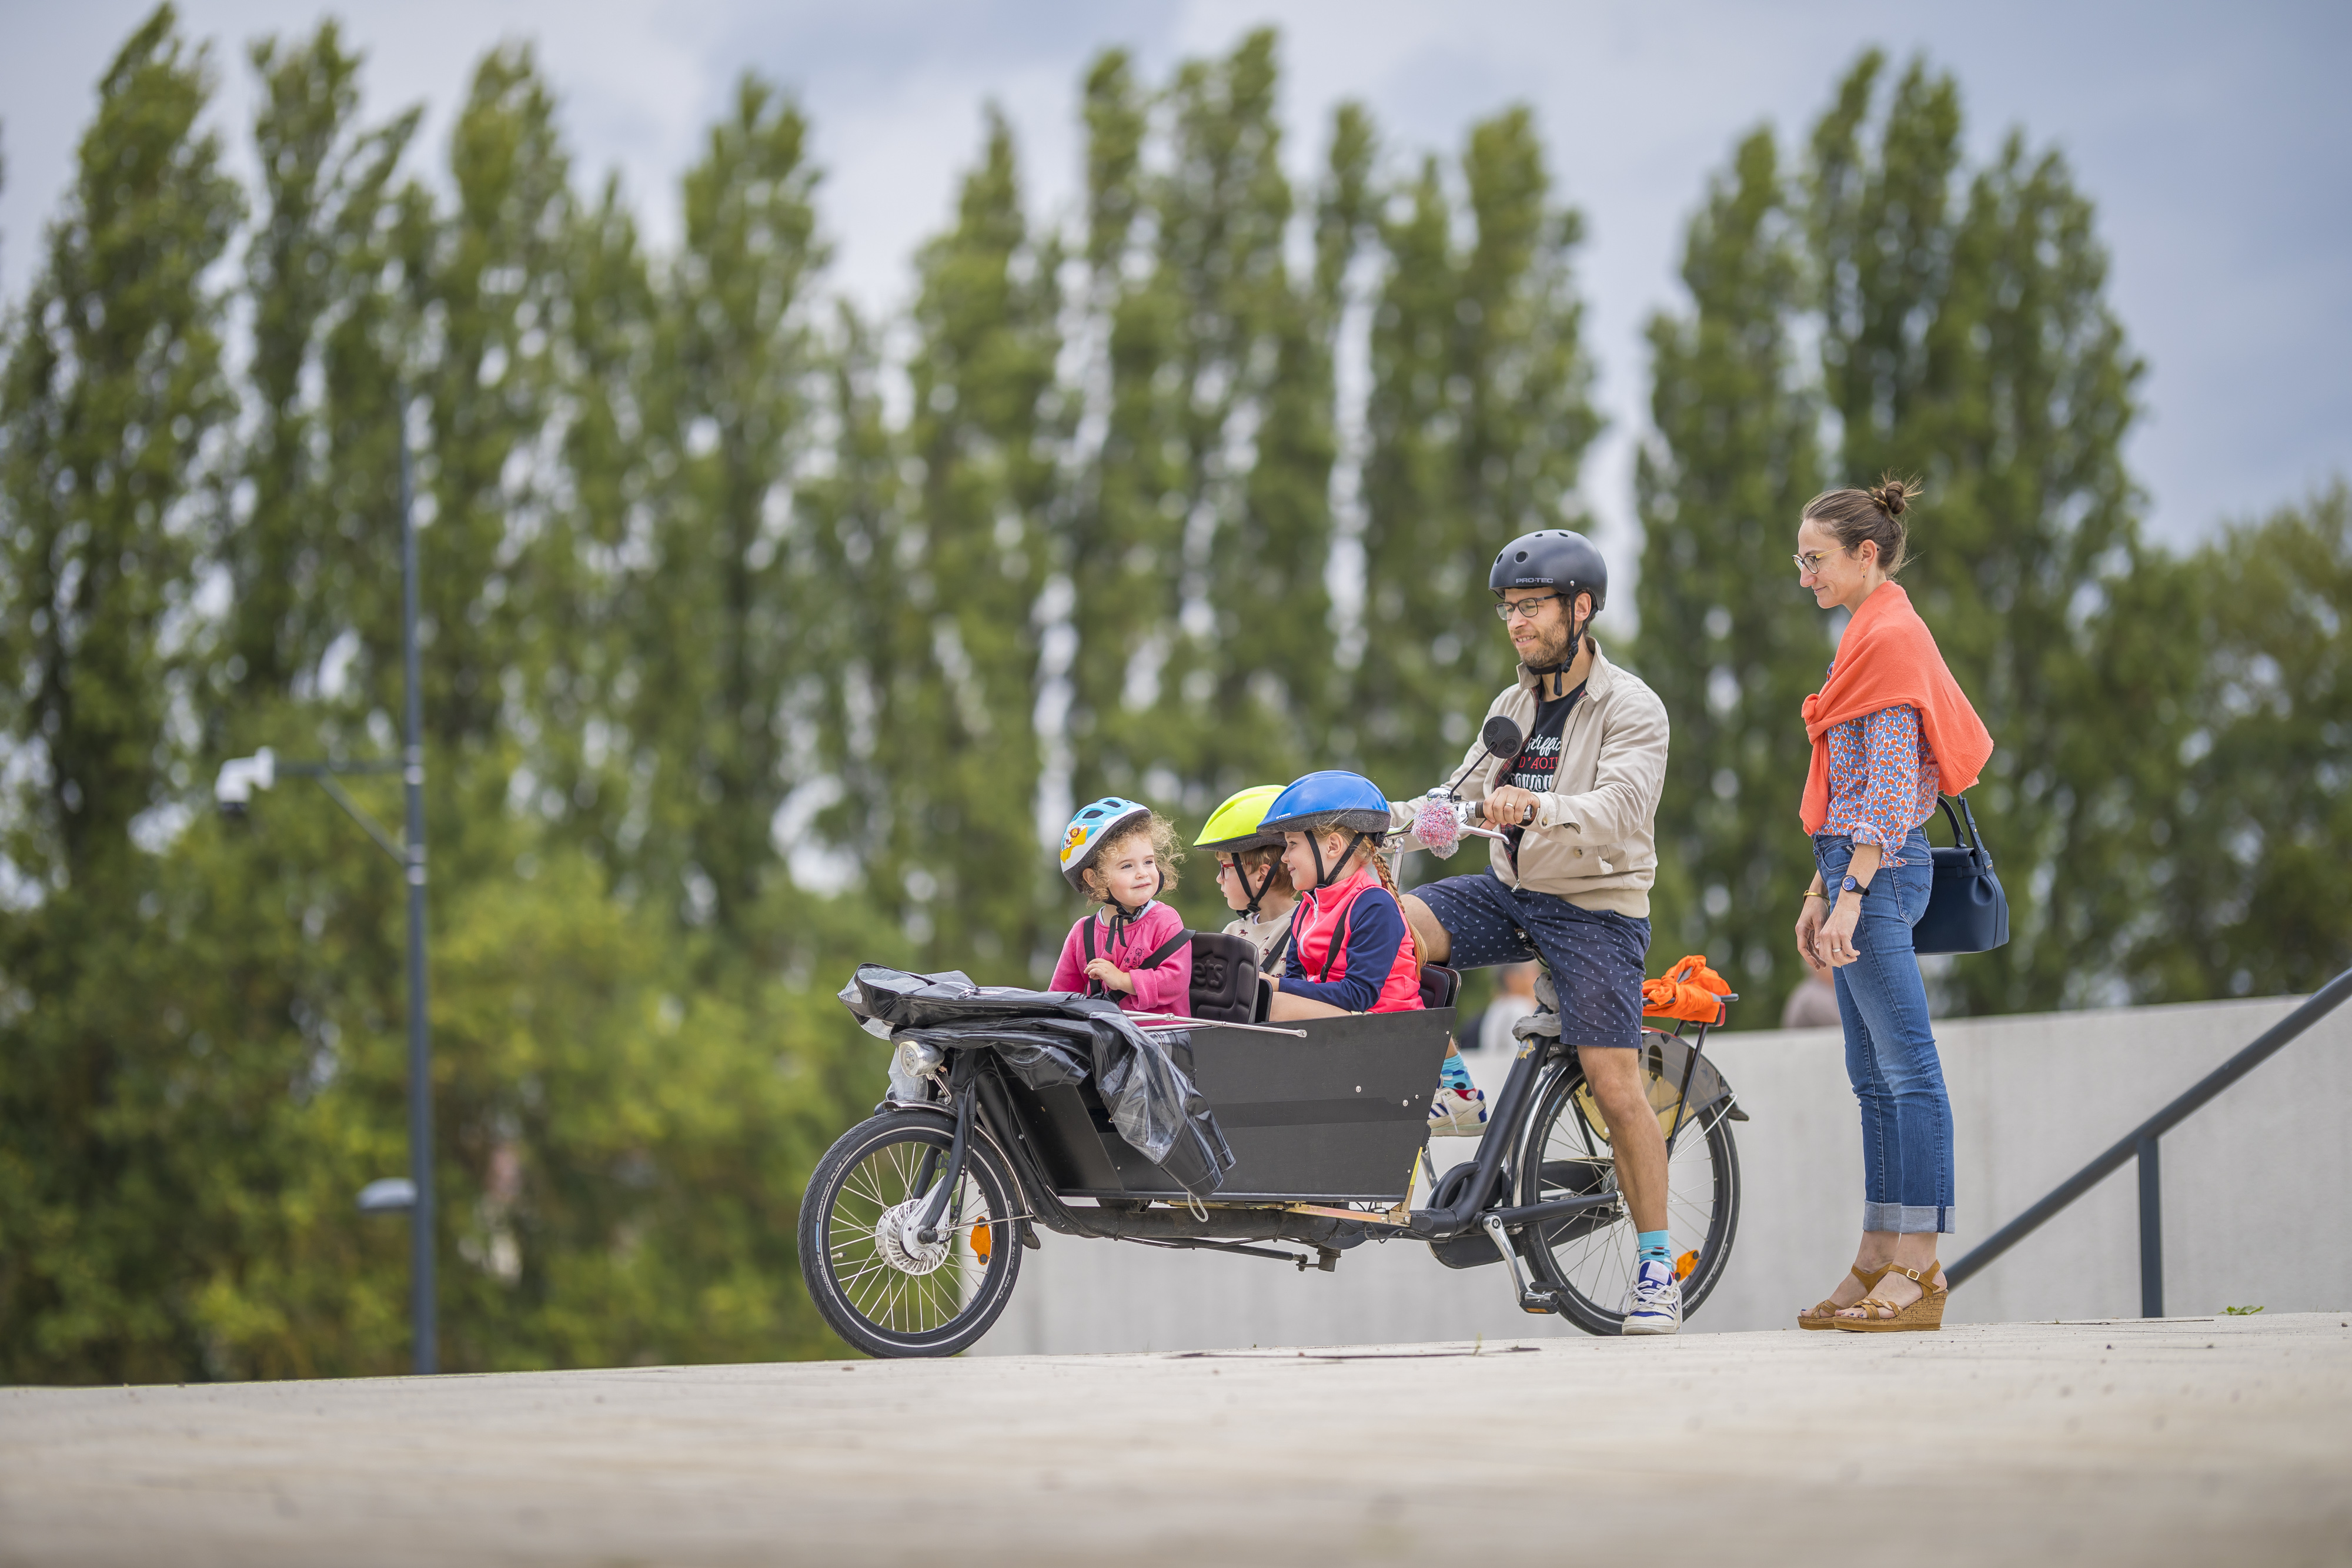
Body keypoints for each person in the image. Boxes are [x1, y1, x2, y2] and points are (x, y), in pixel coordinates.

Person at [1384, 529, 1685, 1333]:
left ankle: (1658, 1266)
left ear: (1580, 609)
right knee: (1390, 926)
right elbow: (1458, 799)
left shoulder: (1632, 707)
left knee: (1614, 1079)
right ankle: (1445, 1084)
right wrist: (1384, 821)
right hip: (1514, 893)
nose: (1515, 623)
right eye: (1507, 610)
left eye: (1531, 607)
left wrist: (1539, 805)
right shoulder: (1512, 708)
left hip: (1596, 907)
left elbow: (1622, 811)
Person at [1788, 479, 1992, 1333]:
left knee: (1909, 1070)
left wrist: (1854, 891)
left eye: (1815, 559)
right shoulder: (1862, 633)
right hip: (1848, 869)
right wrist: (1817, 888)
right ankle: (1877, 1252)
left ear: (1866, 552)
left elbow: (1888, 780)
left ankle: (1921, 1264)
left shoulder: (1893, 635)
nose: (1805, 576)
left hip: (1878, 871)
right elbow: (1849, 777)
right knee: (1871, 1077)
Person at [1049, 797, 1194, 1017]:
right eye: (1127, 866)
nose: (1143, 873)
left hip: (1161, 1040)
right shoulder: (1083, 934)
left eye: (1148, 862)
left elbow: (1175, 980)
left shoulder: (1165, 920)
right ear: (1094, 879)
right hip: (1102, 1043)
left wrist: (1122, 980)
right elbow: (1060, 996)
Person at [1194, 785, 1299, 972]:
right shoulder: (1231, 934)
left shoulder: (1304, 928)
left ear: (1262, 875)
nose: (1219, 878)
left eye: (1225, 867)